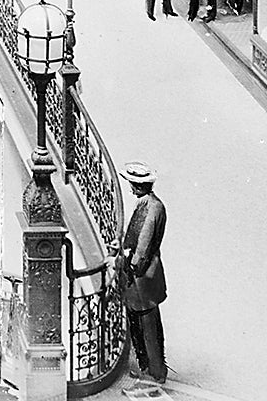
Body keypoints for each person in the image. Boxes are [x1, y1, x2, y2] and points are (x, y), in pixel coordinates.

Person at [116, 162, 169, 384]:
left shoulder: (151, 208)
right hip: (144, 273)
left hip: (142, 277)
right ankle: (150, 366)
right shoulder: (150, 204)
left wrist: (130, 265)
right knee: (145, 321)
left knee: (146, 323)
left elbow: (143, 245)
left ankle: (153, 370)